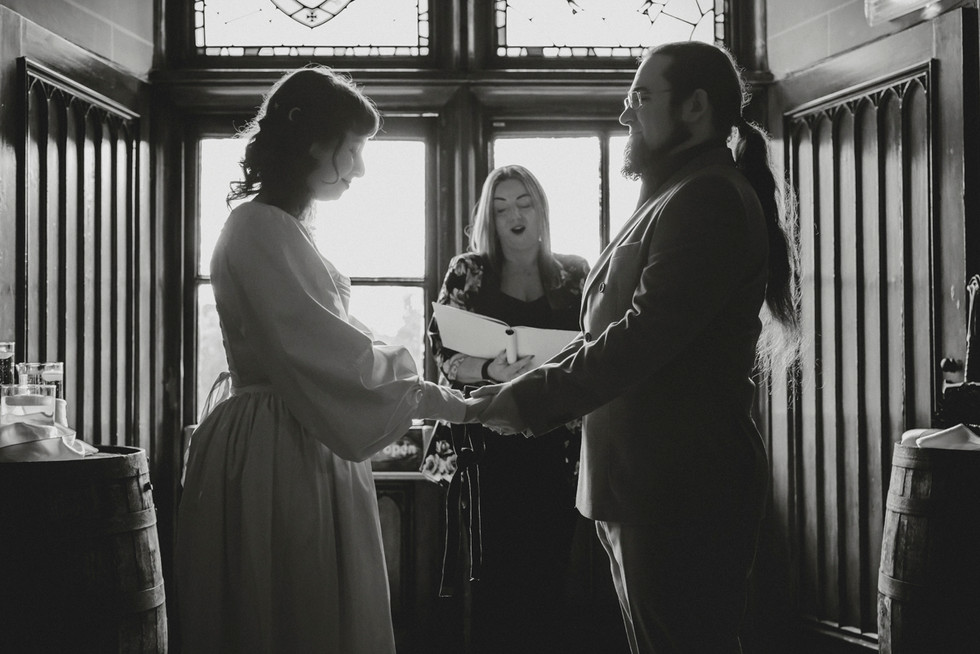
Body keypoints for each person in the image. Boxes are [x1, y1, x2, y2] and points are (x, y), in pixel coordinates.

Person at [471, 41, 802, 654]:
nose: (625, 113)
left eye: (642, 97)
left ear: (695, 107)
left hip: (680, 488)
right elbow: (603, 336)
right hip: (641, 484)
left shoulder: (706, 197)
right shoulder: (675, 193)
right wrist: (520, 389)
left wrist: (531, 398)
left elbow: (641, 337)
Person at [175, 66, 478, 653]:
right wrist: (451, 403)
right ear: (313, 142)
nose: (359, 168)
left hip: (302, 431)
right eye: (354, 148)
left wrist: (441, 397)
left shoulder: (282, 228)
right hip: (281, 444)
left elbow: (338, 344)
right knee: (294, 607)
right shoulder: (260, 227)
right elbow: (333, 359)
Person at [423, 165, 591, 654]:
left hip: (556, 447)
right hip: (484, 449)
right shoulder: (468, 271)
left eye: (523, 203)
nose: (513, 215)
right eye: (500, 209)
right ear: (489, 221)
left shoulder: (575, 273)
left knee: (549, 574)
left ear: (541, 210)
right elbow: (440, 349)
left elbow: (596, 347)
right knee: (491, 578)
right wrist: (490, 370)